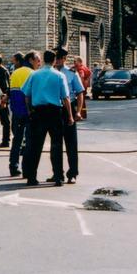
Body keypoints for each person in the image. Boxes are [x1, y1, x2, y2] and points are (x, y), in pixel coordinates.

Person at [22, 49, 72, 187]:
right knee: (56, 145)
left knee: (35, 146)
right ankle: (58, 176)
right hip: (54, 112)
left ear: (43, 60)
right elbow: (66, 98)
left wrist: (30, 110)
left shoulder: (34, 75)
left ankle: (31, 177)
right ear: (54, 60)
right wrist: (70, 116)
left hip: (38, 112)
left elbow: (26, 95)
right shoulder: (59, 76)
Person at [54, 47, 85, 184]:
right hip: (55, 108)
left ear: (65, 59)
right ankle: (57, 173)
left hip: (69, 108)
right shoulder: (51, 72)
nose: (58, 61)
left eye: (60, 58)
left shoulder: (72, 73)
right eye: (56, 58)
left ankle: (72, 173)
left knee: (71, 143)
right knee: (56, 143)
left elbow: (79, 93)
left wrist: (78, 111)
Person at [7, 51, 37, 177]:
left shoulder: (15, 72)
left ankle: (13, 166)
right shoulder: (32, 74)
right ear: (31, 60)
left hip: (16, 111)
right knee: (30, 141)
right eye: (37, 60)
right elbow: (32, 94)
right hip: (29, 111)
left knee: (17, 140)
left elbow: (11, 92)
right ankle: (26, 169)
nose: (38, 64)